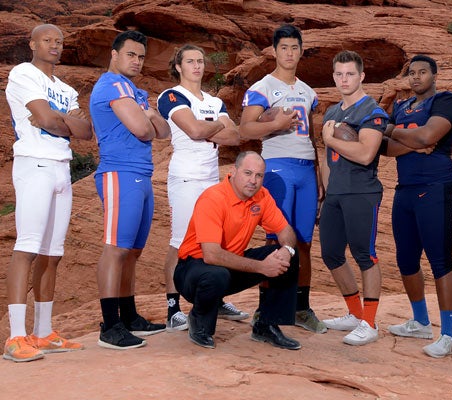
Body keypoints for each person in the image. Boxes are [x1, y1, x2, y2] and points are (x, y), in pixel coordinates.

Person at [3, 24, 92, 362]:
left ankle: (43, 333)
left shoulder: (66, 88)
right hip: (34, 164)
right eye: (47, 40)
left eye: (59, 41)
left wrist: (60, 121)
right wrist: (62, 120)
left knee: (53, 253)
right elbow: (42, 118)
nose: (55, 45)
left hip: (60, 167)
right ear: (32, 44)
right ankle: (15, 337)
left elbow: (84, 131)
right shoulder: (23, 73)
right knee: (27, 246)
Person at [239, 24, 325, 334]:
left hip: (304, 169)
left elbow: (313, 137)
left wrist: (317, 176)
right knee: (276, 239)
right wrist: (276, 124)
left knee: (303, 242)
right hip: (277, 167)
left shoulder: (307, 91)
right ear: (274, 51)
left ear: (301, 51)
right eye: (283, 48)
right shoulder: (263, 87)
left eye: (294, 48)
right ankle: (266, 309)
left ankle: (301, 308)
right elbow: (245, 129)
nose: (289, 53)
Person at [90, 30, 171, 350]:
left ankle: (129, 316)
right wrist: (148, 118)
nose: (136, 61)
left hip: (140, 175)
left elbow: (161, 131)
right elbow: (141, 129)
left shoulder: (135, 91)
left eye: (140, 56)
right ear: (114, 54)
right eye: (130, 55)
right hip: (119, 172)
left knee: (133, 252)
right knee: (116, 248)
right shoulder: (112, 85)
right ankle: (110, 327)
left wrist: (150, 115)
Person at [157, 44, 246, 331]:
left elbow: (235, 137)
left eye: (200, 61)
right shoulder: (171, 96)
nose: (197, 66)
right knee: (181, 240)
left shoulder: (214, 100)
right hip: (185, 177)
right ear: (179, 66)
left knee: (215, 241)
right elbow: (193, 131)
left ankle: (214, 299)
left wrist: (207, 127)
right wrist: (215, 126)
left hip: (211, 179)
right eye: (190, 61)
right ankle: (173, 308)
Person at [174, 151, 301, 350]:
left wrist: (286, 250)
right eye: (248, 173)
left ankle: (266, 325)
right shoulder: (213, 198)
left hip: (229, 265)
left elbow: (285, 231)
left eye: (259, 176)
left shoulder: (261, 196)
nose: (253, 181)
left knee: (289, 255)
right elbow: (211, 255)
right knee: (216, 274)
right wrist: (262, 267)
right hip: (193, 270)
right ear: (233, 171)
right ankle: (199, 322)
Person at [381, 55, 452, 358]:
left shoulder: (446, 101)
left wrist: (396, 132)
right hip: (406, 187)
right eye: (411, 73)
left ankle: (448, 334)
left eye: (422, 72)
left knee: (440, 258)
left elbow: (429, 136)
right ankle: (420, 321)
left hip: (435, 185)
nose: (416, 78)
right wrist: (413, 140)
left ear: (434, 75)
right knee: (406, 258)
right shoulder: (401, 106)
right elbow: (386, 149)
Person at [319, 50, 388, 346]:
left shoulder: (372, 111)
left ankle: (369, 323)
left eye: (350, 74)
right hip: (335, 193)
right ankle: (354, 312)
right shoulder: (332, 112)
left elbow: (365, 153)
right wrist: (325, 192)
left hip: (361, 192)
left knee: (364, 254)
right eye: (339, 74)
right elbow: (325, 157)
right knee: (331, 253)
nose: (344, 79)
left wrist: (331, 138)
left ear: (361, 76)